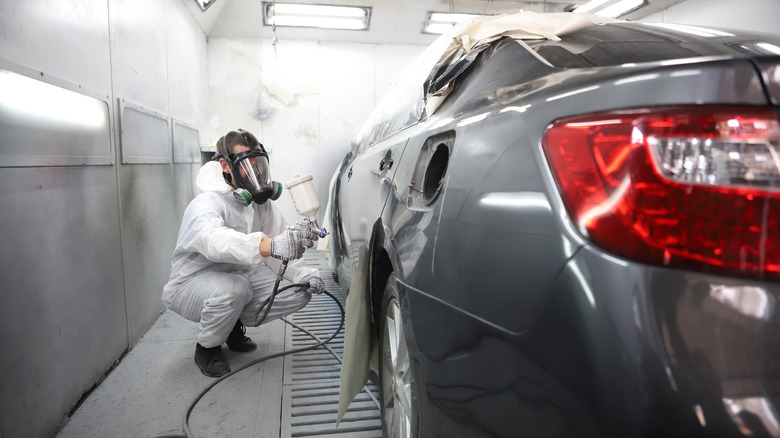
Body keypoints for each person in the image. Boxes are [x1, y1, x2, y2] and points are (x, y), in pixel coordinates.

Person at [162, 129, 326, 378]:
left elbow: (278, 245)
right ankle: (207, 347)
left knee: (297, 292)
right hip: (192, 284)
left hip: (236, 278)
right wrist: (268, 245)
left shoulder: (260, 205)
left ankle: (230, 325)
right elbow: (214, 241)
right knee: (234, 289)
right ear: (225, 165)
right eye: (245, 164)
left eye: (258, 162)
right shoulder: (206, 203)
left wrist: (304, 273)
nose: (255, 171)